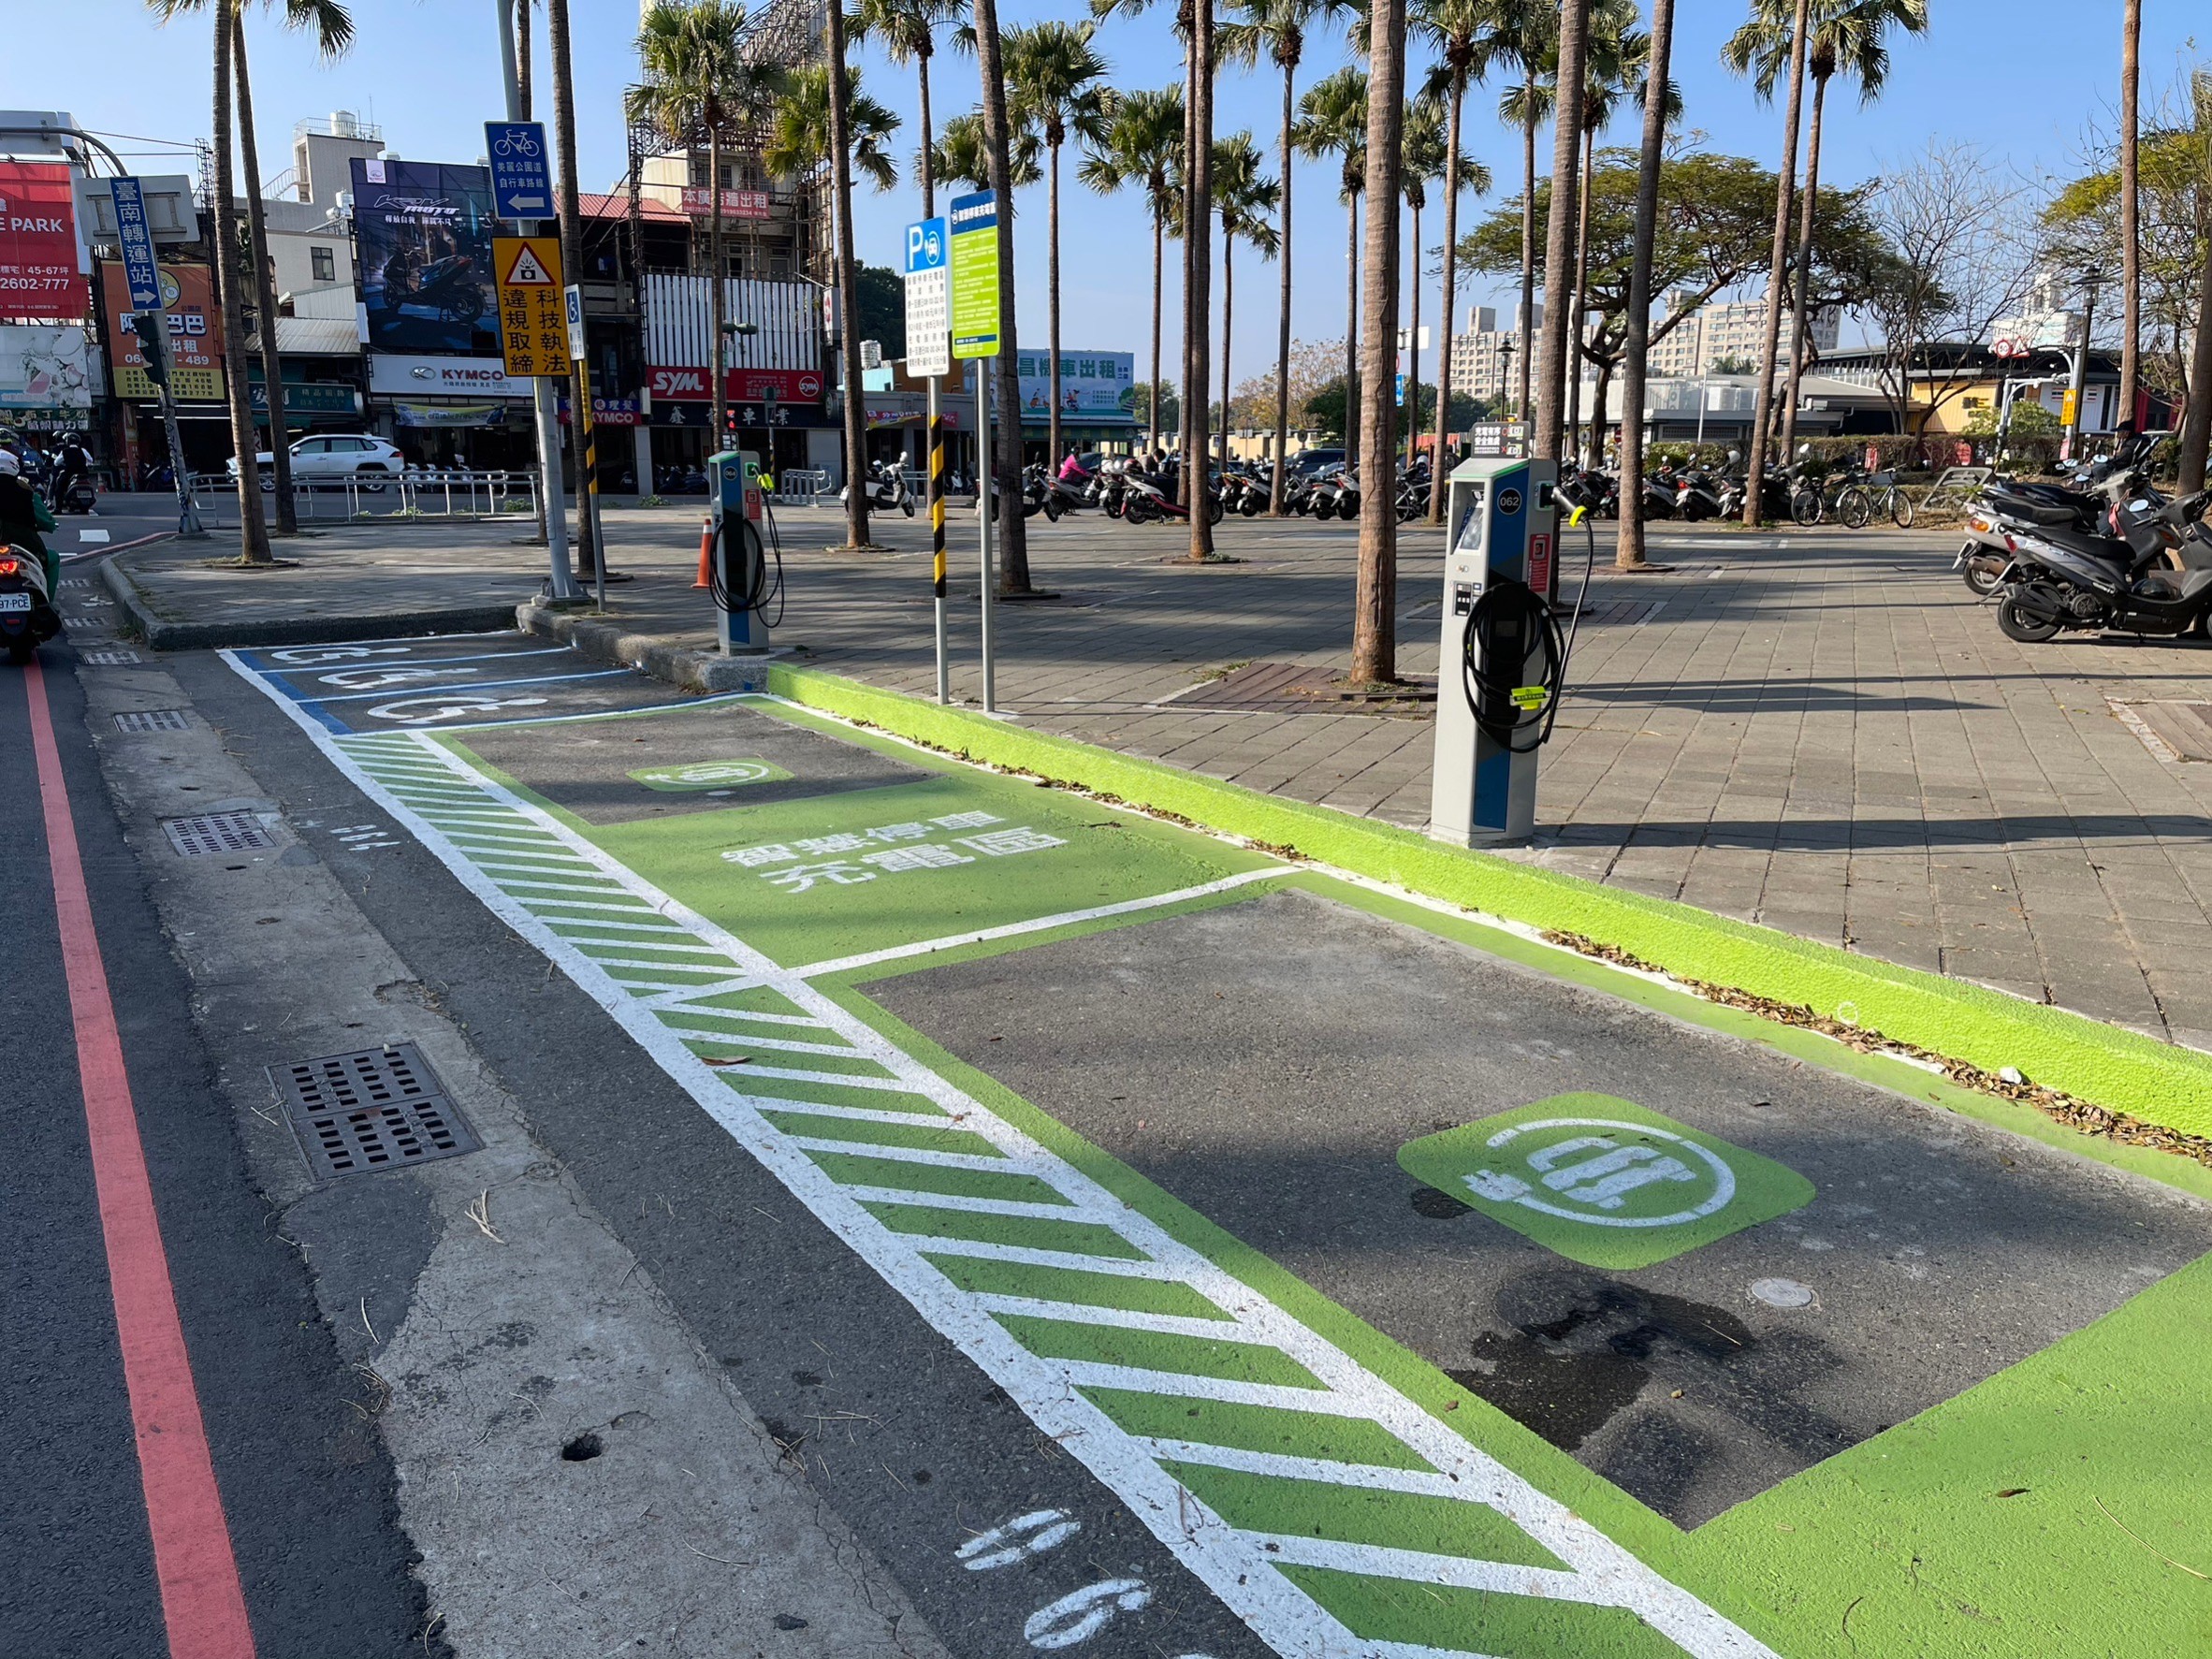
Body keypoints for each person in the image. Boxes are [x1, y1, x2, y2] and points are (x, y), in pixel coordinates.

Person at [0, 450, 60, 613]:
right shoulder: (27, 493)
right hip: (26, 547)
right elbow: (47, 522)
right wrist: (50, 524)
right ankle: (47, 604)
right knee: (52, 559)